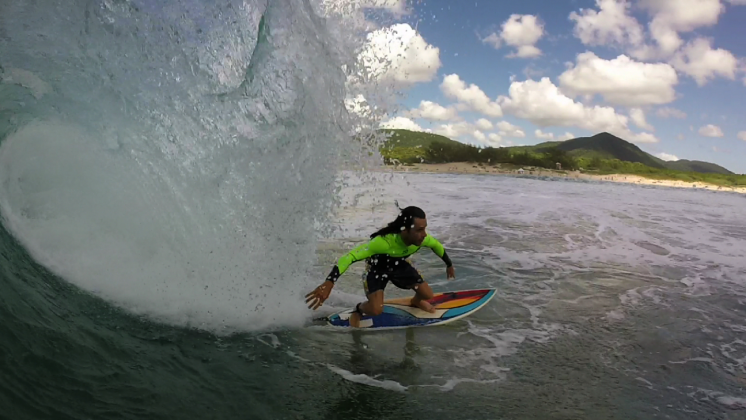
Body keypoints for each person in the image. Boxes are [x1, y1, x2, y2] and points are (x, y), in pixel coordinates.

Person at [305, 203, 456, 327]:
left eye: (425, 228)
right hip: (377, 270)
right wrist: (330, 281)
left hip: (399, 265)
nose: (424, 234)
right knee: (376, 310)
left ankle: (415, 301)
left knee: (427, 295)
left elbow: (437, 247)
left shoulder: (422, 239)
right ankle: (358, 309)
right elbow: (349, 257)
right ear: (405, 229)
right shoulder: (382, 243)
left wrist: (448, 264)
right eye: (419, 230)